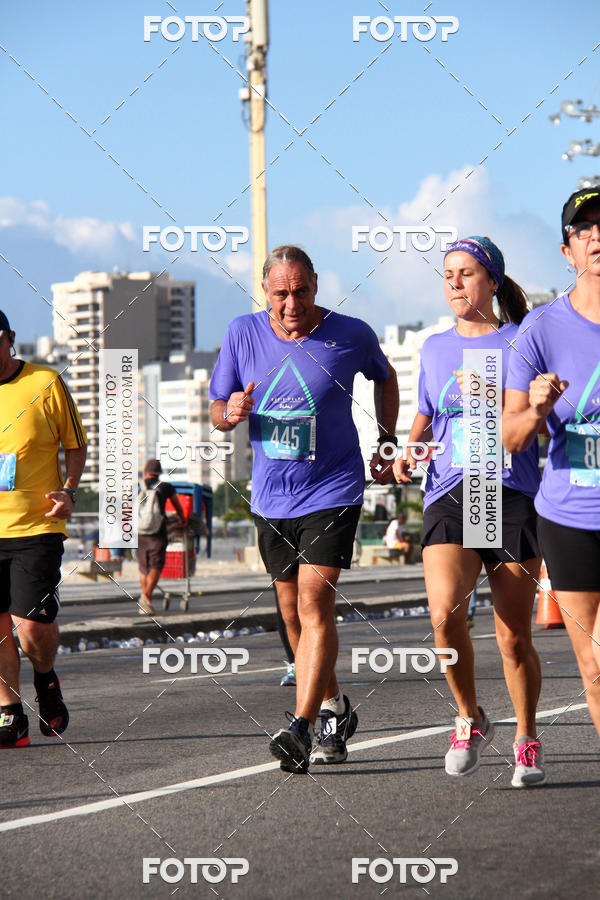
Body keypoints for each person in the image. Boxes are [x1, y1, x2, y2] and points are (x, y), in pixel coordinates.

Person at [209, 245, 399, 773]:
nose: (291, 303)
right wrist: (231, 413)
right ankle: (336, 708)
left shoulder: (350, 333)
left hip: (334, 488)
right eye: (280, 293)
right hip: (272, 493)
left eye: (302, 291)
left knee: (315, 604)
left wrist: (386, 439)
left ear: (316, 284)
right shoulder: (241, 334)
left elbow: (385, 376)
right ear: (264, 289)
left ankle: (301, 726)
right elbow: (216, 409)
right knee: (291, 616)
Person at [394, 236, 547, 787]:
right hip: (452, 493)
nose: (455, 283)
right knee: (443, 615)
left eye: (466, 273)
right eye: (447, 274)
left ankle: (526, 738)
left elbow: (533, 423)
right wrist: (408, 451)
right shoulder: (434, 347)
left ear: (492, 282)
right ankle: (469, 717)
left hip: (508, 492)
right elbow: (427, 414)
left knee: (513, 637)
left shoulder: (521, 342)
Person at [504, 187, 600, 737]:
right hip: (569, 517)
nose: (595, 237)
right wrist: (537, 409)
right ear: (567, 251)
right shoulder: (540, 329)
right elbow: (510, 437)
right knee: (593, 664)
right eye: (582, 230)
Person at [0, 310, 87, 748]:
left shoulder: (44, 383)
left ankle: (46, 679)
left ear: (10, 339)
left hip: (36, 525)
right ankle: (10, 715)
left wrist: (69, 491)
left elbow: (75, 444)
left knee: (31, 626)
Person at [137, 459, 187, 615]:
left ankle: (145, 600)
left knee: (144, 567)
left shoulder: (137, 486)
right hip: (157, 532)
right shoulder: (165, 487)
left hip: (139, 532)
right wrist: (182, 519)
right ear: (159, 473)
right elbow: (177, 506)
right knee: (155, 565)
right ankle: (146, 597)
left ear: (145, 472)